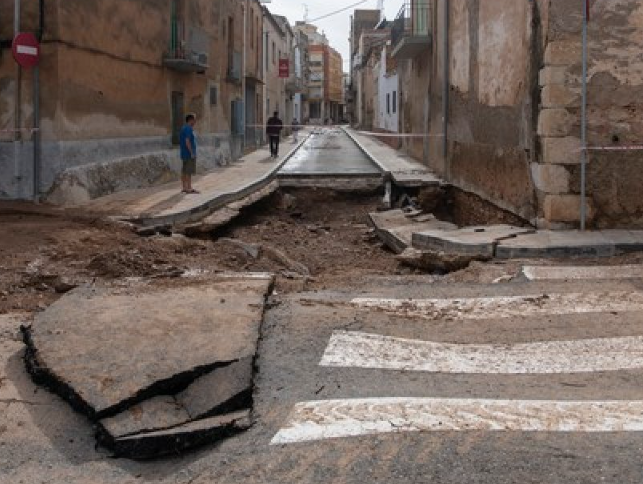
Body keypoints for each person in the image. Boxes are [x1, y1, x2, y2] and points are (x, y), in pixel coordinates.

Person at [179, 114, 199, 194]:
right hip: (188, 153)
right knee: (188, 171)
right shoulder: (188, 129)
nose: (195, 121)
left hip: (184, 152)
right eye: (194, 120)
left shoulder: (183, 128)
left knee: (184, 171)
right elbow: (187, 141)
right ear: (190, 120)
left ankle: (184, 187)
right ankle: (189, 188)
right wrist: (192, 153)